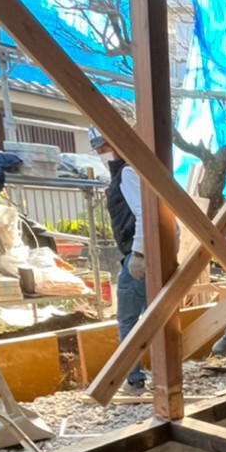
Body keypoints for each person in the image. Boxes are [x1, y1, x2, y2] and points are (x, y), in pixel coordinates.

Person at [90, 126, 146, 395]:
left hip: (137, 259)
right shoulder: (130, 172)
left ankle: (134, 380)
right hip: (144, 256)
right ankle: (158, 375)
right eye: (98, 149)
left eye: (104, 147)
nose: (101, 153)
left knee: (128, 321)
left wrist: (139, 253)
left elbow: (143, 213)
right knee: (155, 317)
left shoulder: (128, 172)